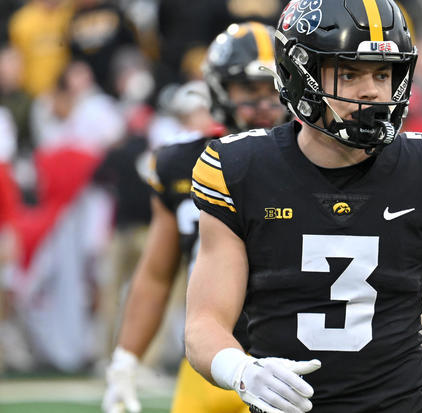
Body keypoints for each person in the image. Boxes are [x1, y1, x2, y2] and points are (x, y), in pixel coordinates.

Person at [186, 1, 422, 412]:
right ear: (297, 73)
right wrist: (241, 369)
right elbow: (205, 323)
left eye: (383, 73)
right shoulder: (243, 171)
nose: (372, 90)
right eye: (349, 73)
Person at [102, 21, 288, 413]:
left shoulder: (314, 159)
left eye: (274, 90)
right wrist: (126, 358)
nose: (264, 104)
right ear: (220, 88)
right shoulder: (180, 163)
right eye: (249, 90)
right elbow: (156, 272)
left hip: (292, 357)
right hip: (213, 362)